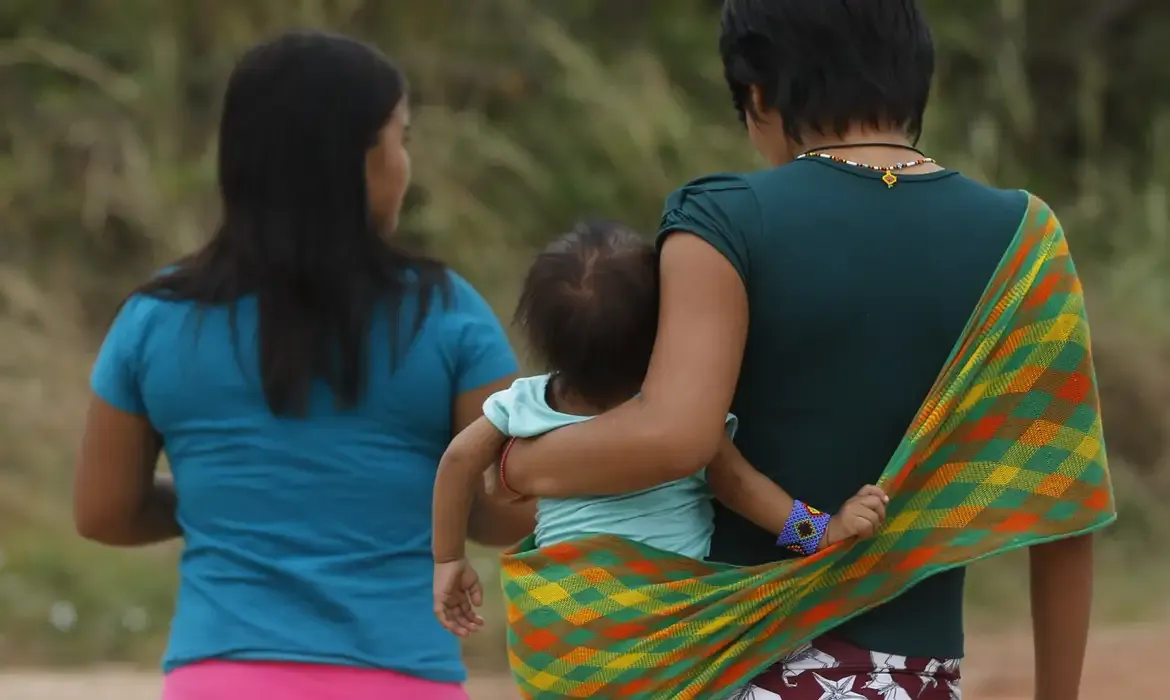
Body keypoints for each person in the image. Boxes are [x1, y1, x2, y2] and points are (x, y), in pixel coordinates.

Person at [497, 1, 1096, 699]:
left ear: (758, 93)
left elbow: (676, 435)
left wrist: (517, 462)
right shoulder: (1025, 240)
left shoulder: (721, 218)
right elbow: (1065, 507)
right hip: (910, 679)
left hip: (731, 665)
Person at [72, 31, 532, 700]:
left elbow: (104, 511)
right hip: (400, 681)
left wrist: (229, 498)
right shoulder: (446, 312)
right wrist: (404, 496)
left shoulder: (156, 316)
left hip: (219, 680)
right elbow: (510, 513)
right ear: (359, 158)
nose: (406, 163)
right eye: (400, 139)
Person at [427, 221, 889, 636]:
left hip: (560, 622)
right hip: (659, 619)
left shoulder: (525, 402)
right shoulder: (679, 416)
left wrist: (447, 559)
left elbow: (459, 459)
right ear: (663, 328)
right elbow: (742, 486)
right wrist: (823, 533)